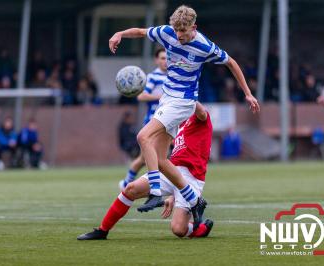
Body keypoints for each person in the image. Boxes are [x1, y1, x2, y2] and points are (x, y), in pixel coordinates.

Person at [109, 5, 260, 224]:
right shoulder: (168, 33)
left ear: (194, 27)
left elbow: (231, 63)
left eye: (184, 31)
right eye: (176, 31)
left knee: (143, 137)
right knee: (160, 159)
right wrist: (120, 34)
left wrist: (247, 93)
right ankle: (194, 200)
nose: (179, 36)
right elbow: (141, 32)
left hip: (184, 101)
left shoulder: (204, 45)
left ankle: (155, 191)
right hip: (167, 98)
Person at [78, 102, 213, 240]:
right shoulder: (179, 122)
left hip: (191, 177)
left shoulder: (199, 117)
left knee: (178, 229)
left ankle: (201, 228)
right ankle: (102, 231)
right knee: (130, 189)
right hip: (171, 171)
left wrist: (185, 97)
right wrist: (173, 194)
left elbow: (202, 112)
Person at [119, 48, 167, 189]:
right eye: (162, 58)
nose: (165, 61)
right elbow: (141, 96)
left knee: (162, 157)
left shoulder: (172, 76)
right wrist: (161, 97)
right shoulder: (153, 77)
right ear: (156, 60)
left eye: (167, 58)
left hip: (169, 121)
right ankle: (131, 184)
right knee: (145, 158)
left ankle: (158, 187)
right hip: (153, 121)